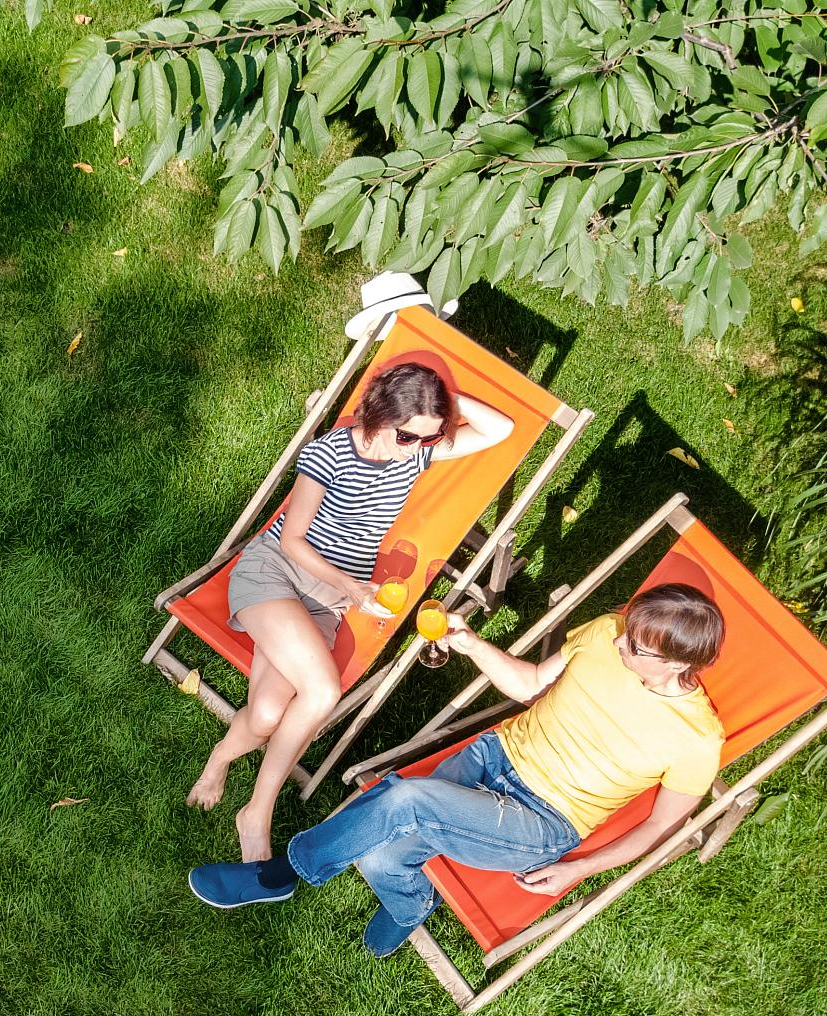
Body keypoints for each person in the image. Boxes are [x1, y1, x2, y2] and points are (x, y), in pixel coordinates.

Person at [187, 583, 727, 960]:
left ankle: (281, 875)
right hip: (495, 755)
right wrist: (470, 643)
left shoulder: (697, 738)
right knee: (379, 853)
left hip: (541, 821)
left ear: (678, 664)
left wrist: (579, 869)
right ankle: (410, 903)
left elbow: (661, 826)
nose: (616, 641)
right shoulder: (607, 631)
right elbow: (530, 684)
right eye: (625, 628)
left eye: (632, 646)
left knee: (404, 802)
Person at [185, 356, 516, 865]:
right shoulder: (328, 455)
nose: (418, 448)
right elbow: (292, 541)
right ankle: (257, 812)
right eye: (408, 435)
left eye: (428, 438)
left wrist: (442, 397)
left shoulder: (415, 453)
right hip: (275, 573)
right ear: (380, 415)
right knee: (320, 691)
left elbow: (500, 429)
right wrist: (352, 588)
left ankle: (219, 760)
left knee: (270, 714)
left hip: (323, 599)